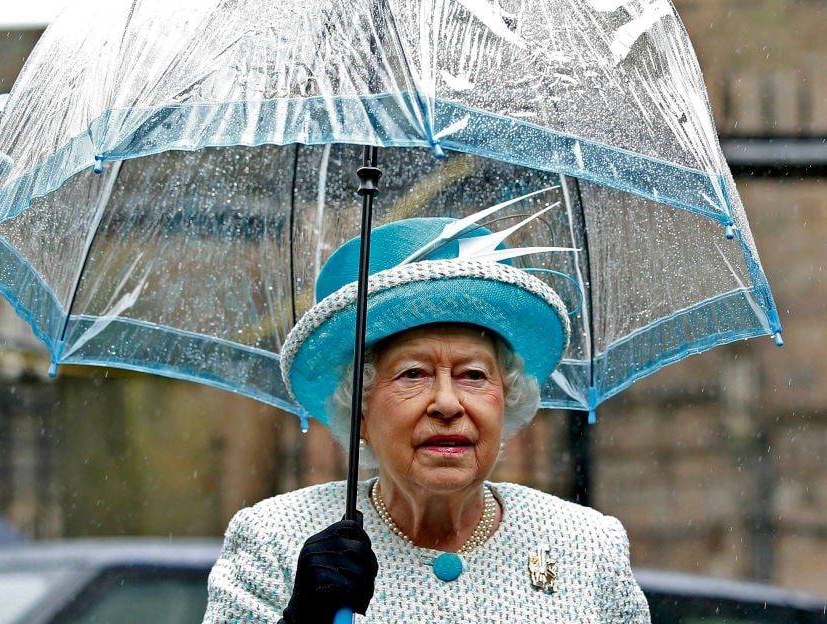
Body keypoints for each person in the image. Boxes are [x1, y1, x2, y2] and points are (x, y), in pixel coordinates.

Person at [203, 216, 651, 623]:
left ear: (507, 399)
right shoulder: (274, 540)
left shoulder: (589, 546)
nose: (447, 403)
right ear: (359, 408)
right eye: (413, 374)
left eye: (473, 375)